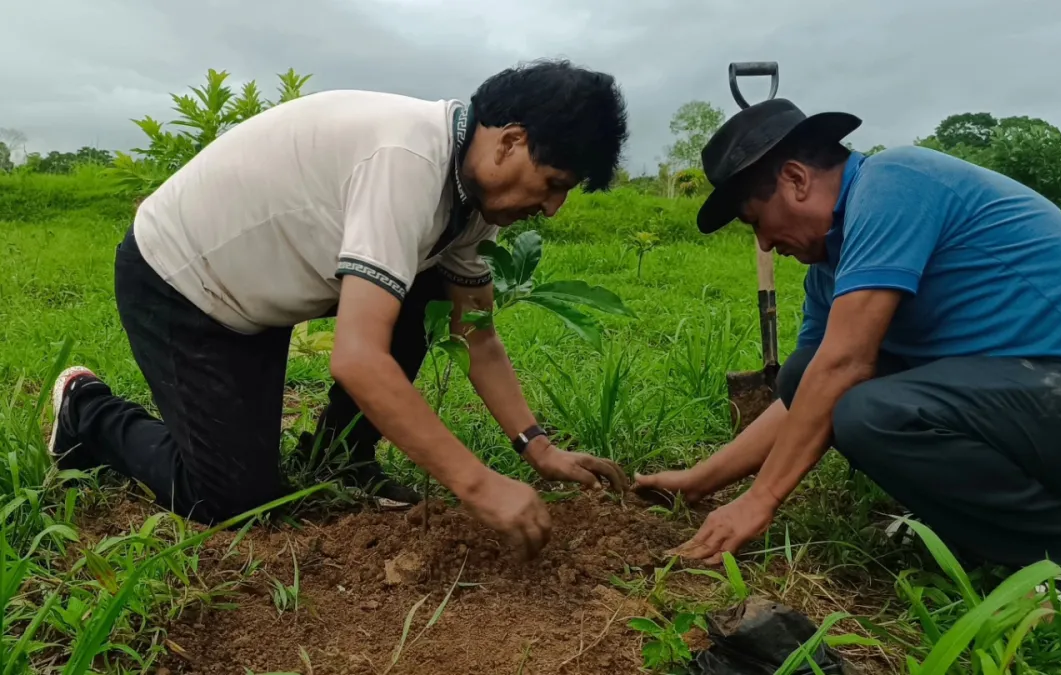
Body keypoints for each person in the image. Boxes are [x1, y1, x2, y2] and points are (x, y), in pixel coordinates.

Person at [47, 59, 631, 560]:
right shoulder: (407, 160)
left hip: (262, 293)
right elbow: (357, 358)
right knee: (232, 501)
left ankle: (341, 456)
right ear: (510, 141)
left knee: (430, 287)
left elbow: (477, 335)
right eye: (553, 183)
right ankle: (87, 412)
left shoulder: (472, 196)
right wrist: (478, 485)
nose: (553, 208)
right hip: (184, 284)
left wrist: (538, 446)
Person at [633, 98, 1061, 619]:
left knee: (868, 409)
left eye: (756, 221)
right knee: (807, 373)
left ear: (796, 180)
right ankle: (976, 525)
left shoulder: (894, 182)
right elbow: (809, 392)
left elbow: (847, 369)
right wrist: (701, 481)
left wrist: (760, 501)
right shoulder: (832, 263)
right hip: (1033, 414)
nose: (763, 243)